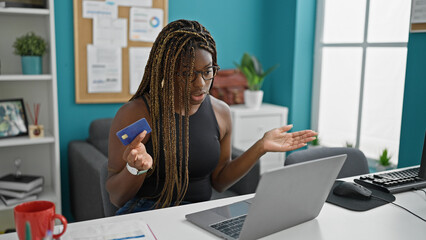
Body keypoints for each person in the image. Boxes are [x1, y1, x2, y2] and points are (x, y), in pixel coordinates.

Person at [106, 19, 317, 214]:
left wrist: (260, 146)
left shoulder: (221, 112)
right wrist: (134, 168)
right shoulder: (136, 113)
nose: (200, 83)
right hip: (148, 214)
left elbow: (219, 182)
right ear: (166, 73)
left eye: (207, 71)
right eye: (187, 74)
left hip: (199, 216)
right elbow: (116, 197)